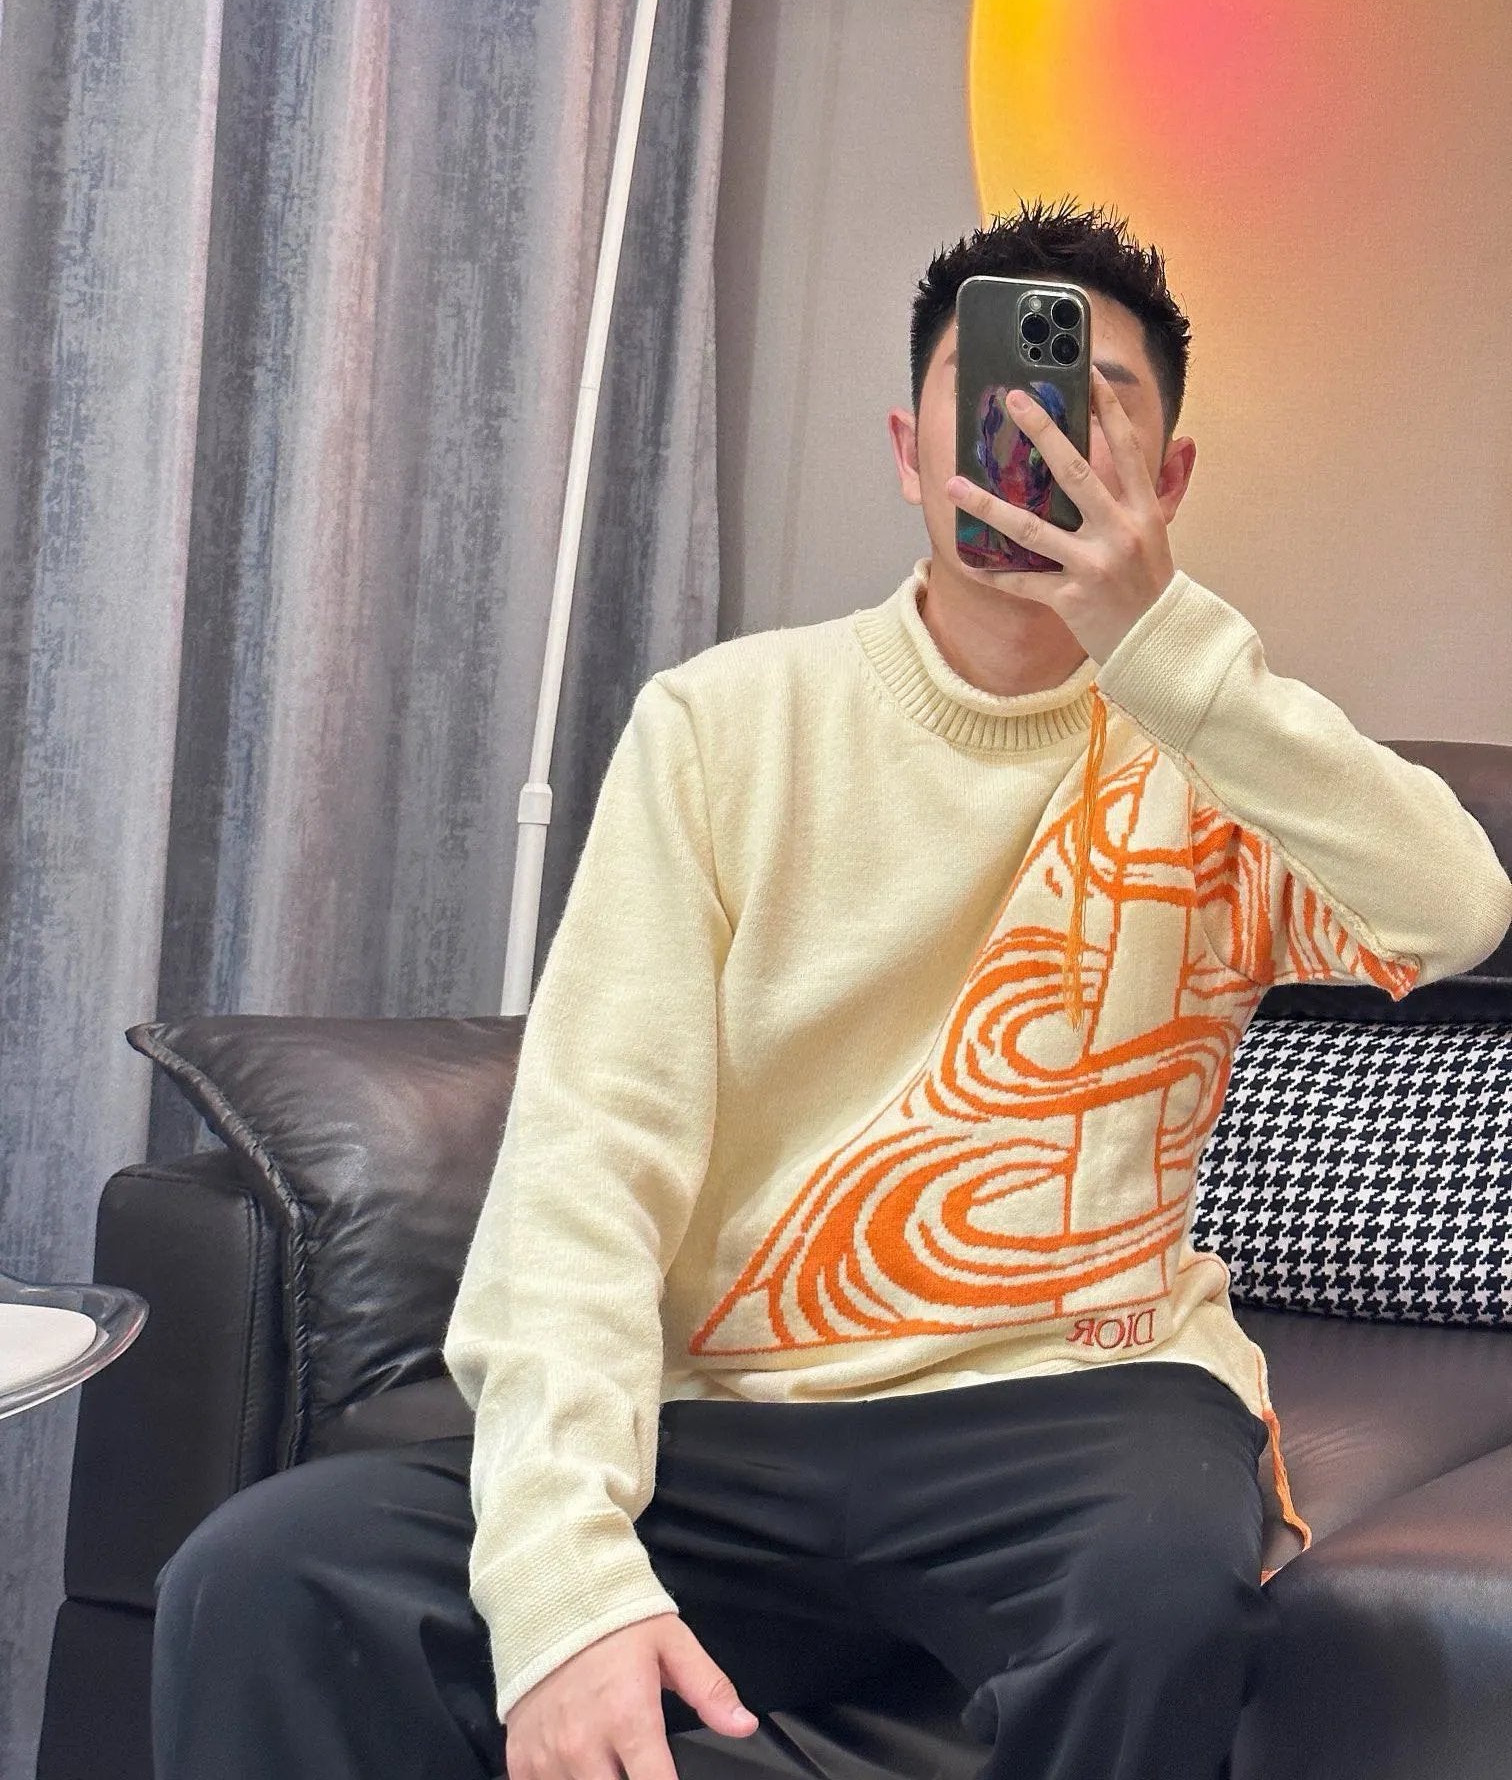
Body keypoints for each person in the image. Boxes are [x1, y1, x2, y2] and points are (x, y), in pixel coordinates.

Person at [151, 197, 1512, 1780]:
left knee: (1154, 1596)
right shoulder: (723, 727)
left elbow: (1457, 907)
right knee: (265, 1574)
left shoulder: (1221, 749)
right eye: (995, 401)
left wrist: (1163, 643)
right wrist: (565, 1572)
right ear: (909, 452)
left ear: (1171, 477)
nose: (1036, 439)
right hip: (732, 1421)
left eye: (1091, 405)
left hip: (1084, 1404)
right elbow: (591, 1158)